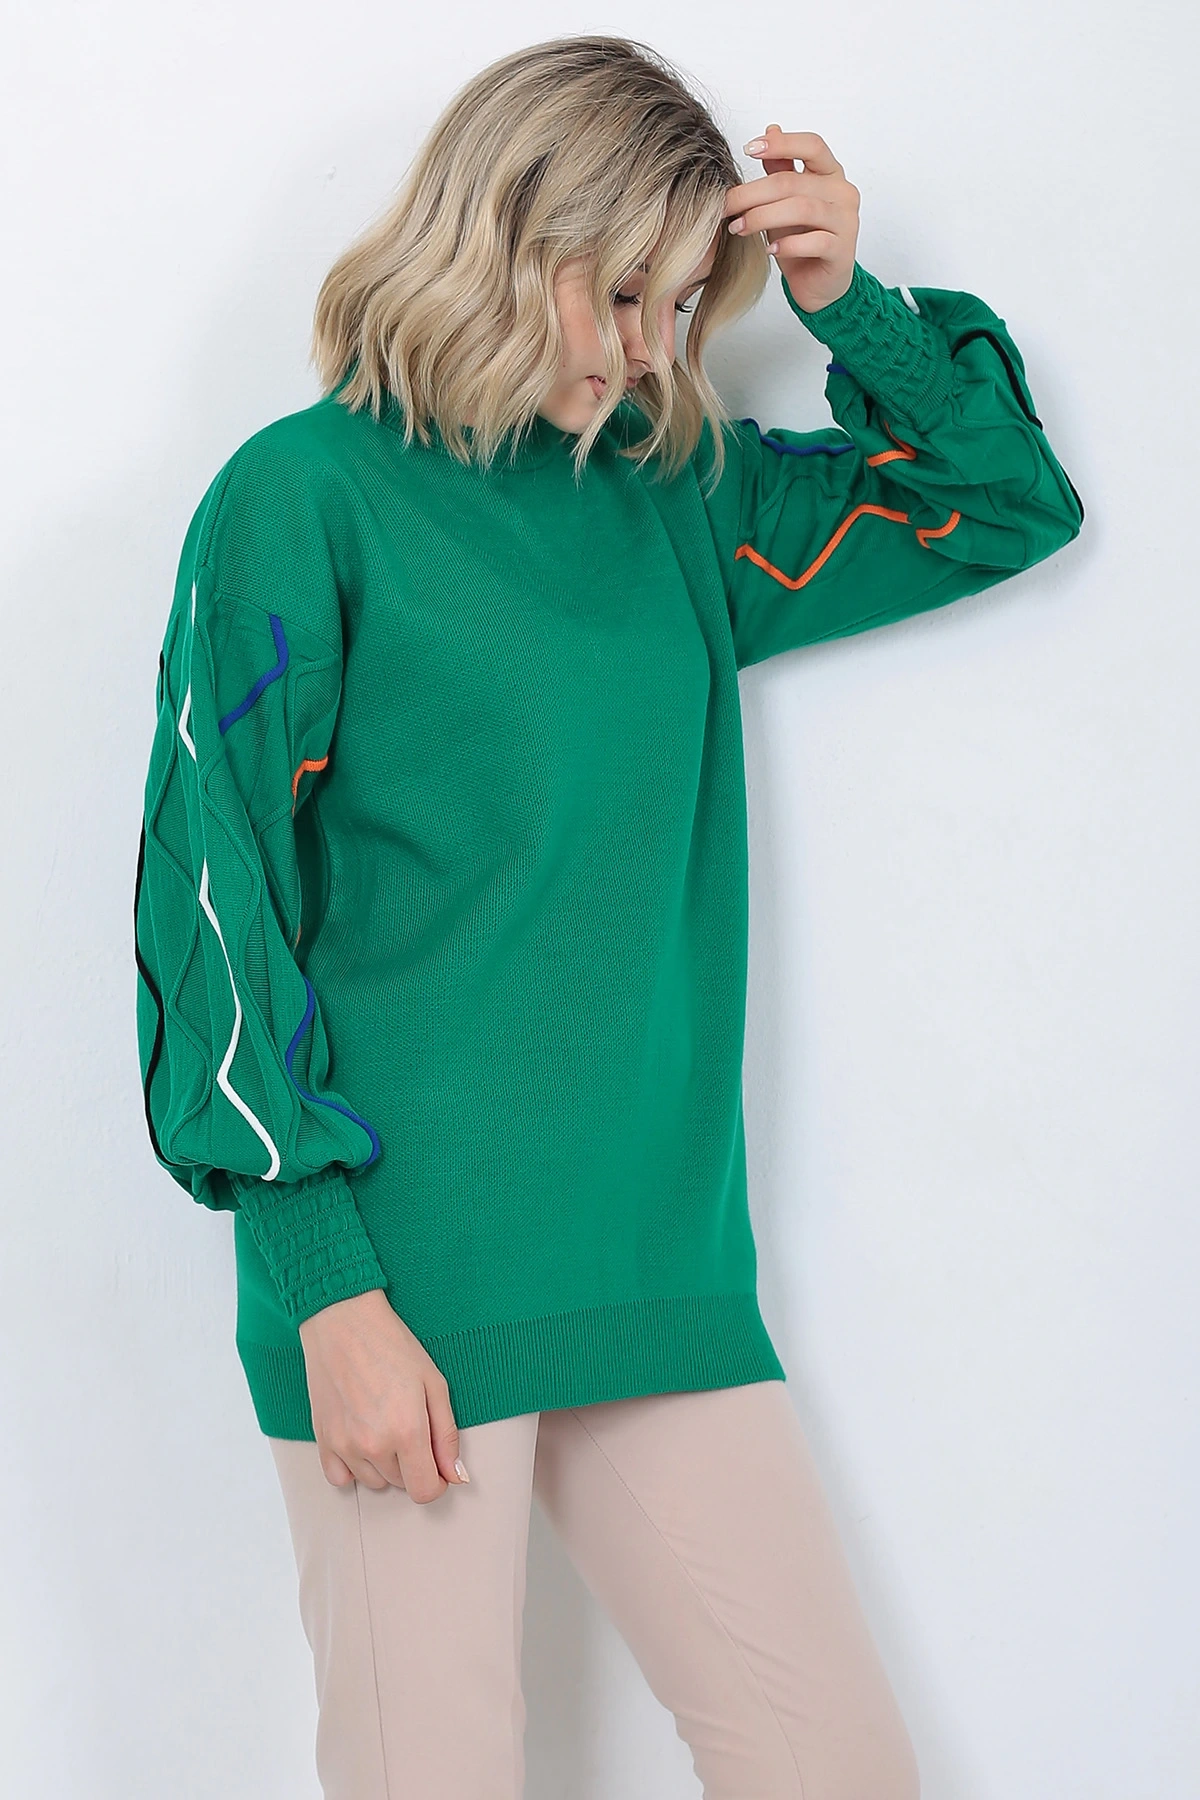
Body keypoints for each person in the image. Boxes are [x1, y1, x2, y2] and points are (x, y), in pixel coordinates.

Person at [132, 32, 1084, 1800]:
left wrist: (847, 303)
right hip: (404, 1284)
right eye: (622, 294)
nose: (653, 349)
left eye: (684, 303)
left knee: (838, 1772)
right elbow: (214, 897)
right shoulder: (303, 498)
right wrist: (327, 1288)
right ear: (506, 234)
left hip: (655, 1262)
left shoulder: (678, 499)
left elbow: (1000, 507)